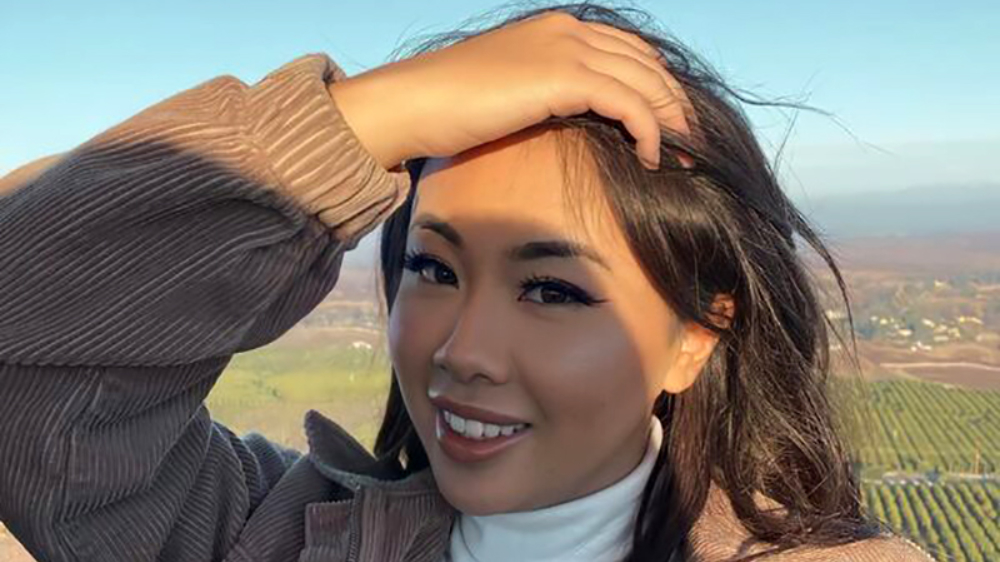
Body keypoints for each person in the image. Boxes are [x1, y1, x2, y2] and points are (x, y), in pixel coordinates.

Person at [0, 3, 932, 561]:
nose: (463, 350)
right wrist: (367, 118)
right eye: (432, 268)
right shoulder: (273, 534)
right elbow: (31, 338)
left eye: (553, 289)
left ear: (694, 337)